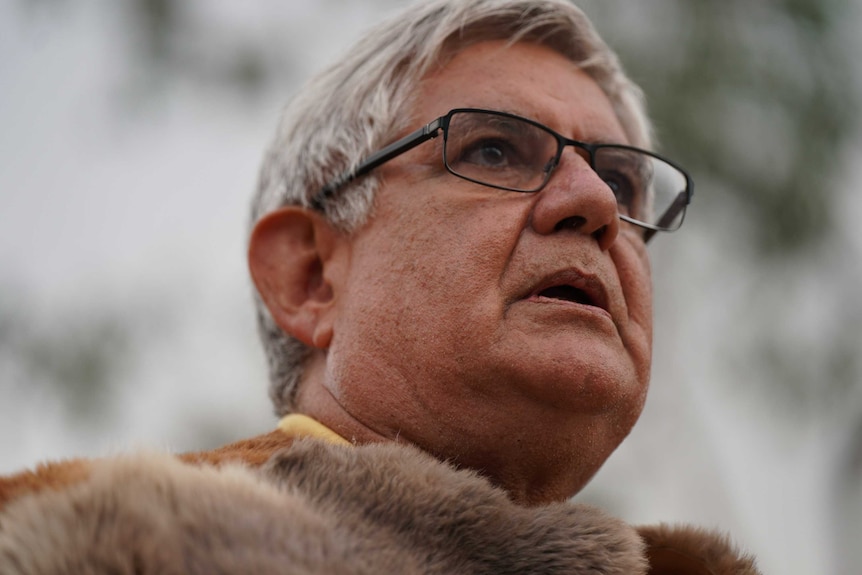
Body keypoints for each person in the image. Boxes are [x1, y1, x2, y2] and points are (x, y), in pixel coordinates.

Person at [0, 0, 759, 573]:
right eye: (495, 150)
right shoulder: (95, 548)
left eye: (622, 179)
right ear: (310, 277)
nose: (594, 201)